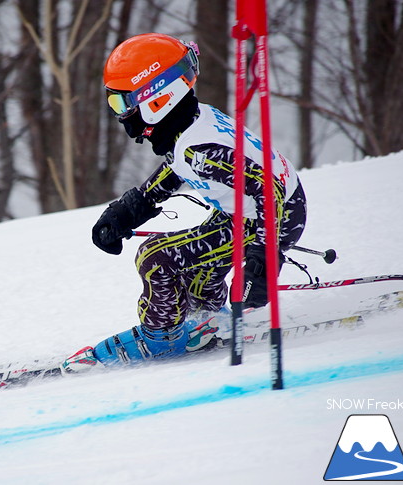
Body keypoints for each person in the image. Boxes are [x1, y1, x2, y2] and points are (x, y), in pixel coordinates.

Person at [61, 33, 306, 373]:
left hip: (270, 218)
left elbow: (270, 193)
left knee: (157, 257)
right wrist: (129, 211)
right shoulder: (189, 126)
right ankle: (208, 319)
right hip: (252, 212)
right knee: (194, 269)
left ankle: (162, 337)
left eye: (122, 104)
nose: (121, 116)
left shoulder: (200, 148)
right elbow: (178, 169)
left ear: (157, 97)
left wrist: (262, 261)